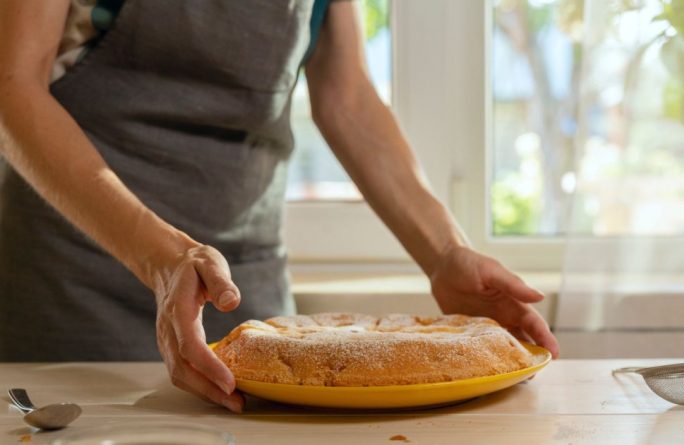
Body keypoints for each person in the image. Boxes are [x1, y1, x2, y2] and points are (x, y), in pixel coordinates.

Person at [0, 0, 559, 413]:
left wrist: (444, 252)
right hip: (75, 286)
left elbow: (347, 97)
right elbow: (12, 86)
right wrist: (163, 259)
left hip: (249, 292)